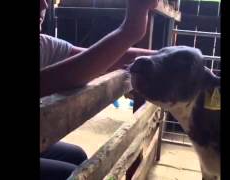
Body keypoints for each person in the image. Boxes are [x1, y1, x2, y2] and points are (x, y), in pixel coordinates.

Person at [40, 0, 158, 179]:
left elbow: (109, 59)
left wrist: (170, 60)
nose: (44, 5)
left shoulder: (43, 45)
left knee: (77, 156)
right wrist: (129, 31)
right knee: (66, 175)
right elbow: (60, 77)